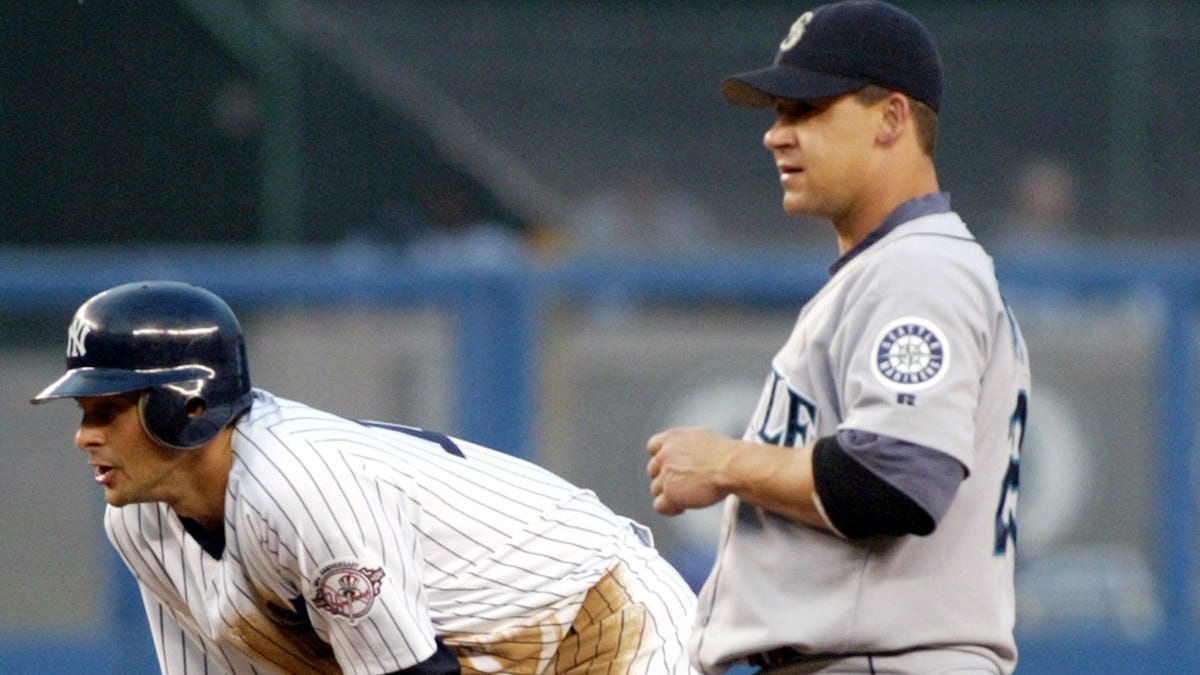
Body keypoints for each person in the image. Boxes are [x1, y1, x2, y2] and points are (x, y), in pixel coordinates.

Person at [32, 280, 698, 674]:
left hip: (605, 622)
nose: (84, 434)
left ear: (188, 404)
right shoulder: (138, 521)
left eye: (108, 409)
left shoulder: (298, 487)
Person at [644, 2, 1031, 674]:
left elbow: (894, 478)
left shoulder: (919, 268)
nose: (776, 135)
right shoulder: (896, 268)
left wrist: (723, 462)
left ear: (892, 118)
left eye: (807, 110)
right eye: (776, 113)